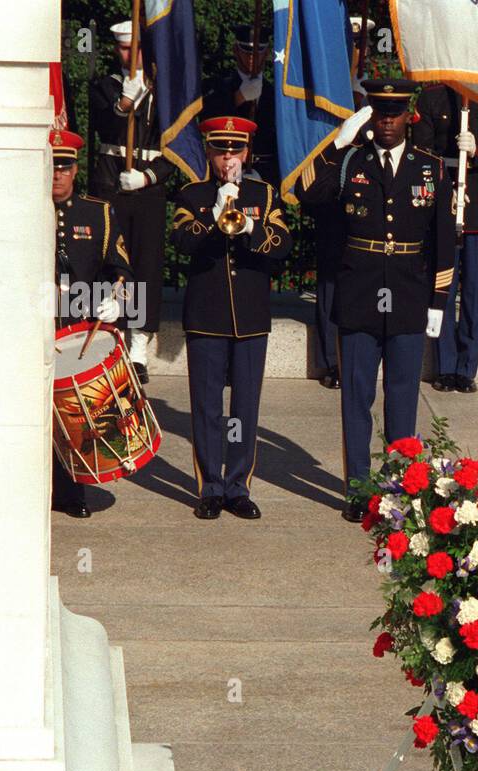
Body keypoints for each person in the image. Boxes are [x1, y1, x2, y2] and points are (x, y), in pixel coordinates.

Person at [296, 79, 454, 521]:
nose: (387, 121)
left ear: (408, 116)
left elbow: (443, 240)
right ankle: (360, 491)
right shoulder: (350, 162)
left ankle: (400, 490)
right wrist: (336, 143)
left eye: (394, 113)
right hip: (360, 294)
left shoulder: (431, 168)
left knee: (402, 398)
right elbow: (304, 193)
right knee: (356, 397)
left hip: (407, 295)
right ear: (370, 114)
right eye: (380, 112)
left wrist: (439, 301)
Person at [171, 117, 293, 520]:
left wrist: (249, 222)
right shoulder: (192, 195)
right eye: (221, 151)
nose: (228, 160)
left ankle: (238, 484)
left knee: (245, 407)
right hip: (206, 315)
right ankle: (210, 485)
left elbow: (282, 245)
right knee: (206, 406)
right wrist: (216, 211)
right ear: (209, 153)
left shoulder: (264, 193)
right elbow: (183, 241)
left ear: (247, 153)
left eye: (235, 151)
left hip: (251, 315)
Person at [412, 85, 478, 393]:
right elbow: (422, 151)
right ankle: (444, 366)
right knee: (442, 286)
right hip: (446, 205)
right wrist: (448, 175)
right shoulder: (433, 97)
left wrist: (477, 152)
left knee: (474, 292)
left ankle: (466, 368)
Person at [50, 129, 133, 518]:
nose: (57, 174)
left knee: (75, 415)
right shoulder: (24, 208)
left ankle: (73, 490)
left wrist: (116, 300)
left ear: (75, 169)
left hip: (76, 331)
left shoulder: (95, 212)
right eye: (51, 165)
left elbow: (121, 270)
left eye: (64, 165)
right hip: (34, 328)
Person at [88, 20, 173, 384]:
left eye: (136, 49)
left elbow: (178, 144)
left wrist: (149, 176)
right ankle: (113, 339)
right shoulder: (104, 85)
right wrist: (125, 102)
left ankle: (138, 347)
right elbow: (104, 126)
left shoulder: (166, 90)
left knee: (145, 264)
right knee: (112, 261)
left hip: (147, 188)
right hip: (111, 182)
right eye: (124, 49)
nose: (130, 55)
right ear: (116, 50)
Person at [301, 15, 379, 392]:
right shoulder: (325, 91)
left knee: (363, 282)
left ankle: (356, 357)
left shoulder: (377, 95)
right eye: (349, 43)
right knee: (331, 281)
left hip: (371, 205)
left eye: (360, 43)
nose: (354, 50)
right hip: (333, 198)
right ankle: (331, 361)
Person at [201, 22, 277, 186]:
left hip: (267, 173)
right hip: (225, 169)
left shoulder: (276, 94)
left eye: (258, 50)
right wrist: (238, 98)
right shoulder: (218, 86)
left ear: (268, 53)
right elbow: (208, 120)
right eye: (246, 50)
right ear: (235, 50)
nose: (252, 56)